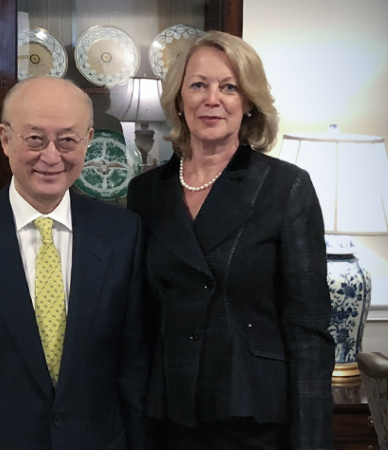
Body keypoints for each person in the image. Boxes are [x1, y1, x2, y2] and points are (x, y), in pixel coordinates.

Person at [127, 31, 334, 449]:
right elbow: (139, 322)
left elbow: (308, 330)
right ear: (179, 99)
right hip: (167, 414)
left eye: (229, 87)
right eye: (198, 85)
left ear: (249, 102)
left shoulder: (285, 187)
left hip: (250, 413)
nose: (212, 99)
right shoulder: (146, 191)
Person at [0, 76, 153, 450]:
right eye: (35, 138)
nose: (51, 156)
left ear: (88, 141)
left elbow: (133, 367)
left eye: (67, 140)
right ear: (5, 139)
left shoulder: (123, 235)